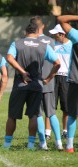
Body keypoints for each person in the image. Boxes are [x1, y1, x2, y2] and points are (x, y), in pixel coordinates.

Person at [3, 22, 60, 150]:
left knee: (12, 115)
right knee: (34, 115)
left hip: (20, 84)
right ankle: (30, 145)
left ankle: (6, 145)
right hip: (37, 84)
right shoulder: (44, 46)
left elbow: (9, 58)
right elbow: (57, 63)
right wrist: (49, 78)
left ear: (25, 32)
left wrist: (23, 72)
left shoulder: (16, 44)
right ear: (38, 32)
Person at [30, 16, 63, 150]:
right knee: (52, 113)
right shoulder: (50, 41)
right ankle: (59, 142)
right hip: (48, 81)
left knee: (38, 114)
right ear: (42, 26)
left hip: (35, 81)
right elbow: (55, 61)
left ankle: (43, 143)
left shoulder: (31, 42)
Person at [58, 15, 78, 153]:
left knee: (72, 113)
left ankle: (70, 146)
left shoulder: (77, 36)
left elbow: (61, 19)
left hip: (75, 80)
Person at [49, 24, 72, 140]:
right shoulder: (53, 45)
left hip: (66, 78)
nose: (54, 37)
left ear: (62, 34)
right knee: (50, 106)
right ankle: (47, 132)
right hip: (53, 77)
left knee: (66, 107)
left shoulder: (72, 45)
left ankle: (65, 130)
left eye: (56, 35)